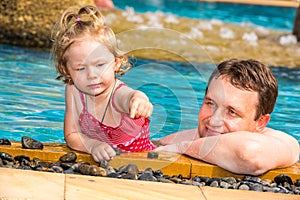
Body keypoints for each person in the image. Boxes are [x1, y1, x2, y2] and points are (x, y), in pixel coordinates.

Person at [156, 59, 299, 175]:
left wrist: (182, 148)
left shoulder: (283, 142)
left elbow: (249, 154)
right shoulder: (180, 139)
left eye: (232, 112)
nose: (213, 120)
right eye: (210, 103)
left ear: (261, 122)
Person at [51, 5, 156, 162]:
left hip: (140, 163)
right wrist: (92, 145)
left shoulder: (116, 93)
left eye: (100, 65)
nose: (91, 75)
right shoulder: (73, 89)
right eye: (80, 68)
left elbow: (129, 96)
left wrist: (140, 100)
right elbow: (71, 134)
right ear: (65, 70)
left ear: (116, 62)